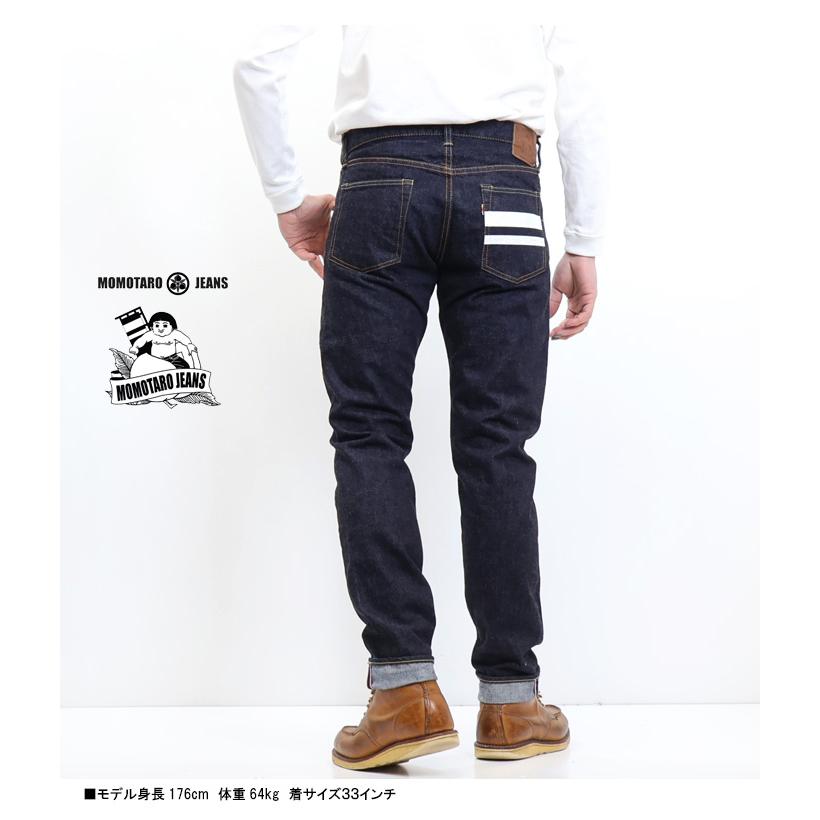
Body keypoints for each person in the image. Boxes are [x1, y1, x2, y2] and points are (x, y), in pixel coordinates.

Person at [233, 24, 606, 769]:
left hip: (378, 188)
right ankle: (513, 703)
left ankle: (403, 693)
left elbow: (256, 60)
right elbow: (582, 94)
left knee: (368, 432)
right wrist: (584, 239)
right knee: (497, 443)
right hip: (506, 184)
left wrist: (285, 196)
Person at [129, 312, 198, 369]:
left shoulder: (174, 333)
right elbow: (142, 340)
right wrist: (135, 347)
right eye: (157, 325)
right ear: (152, 327)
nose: (161, 329)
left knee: (184, 367)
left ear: (172, 326)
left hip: (173, 358)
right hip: (156, 360)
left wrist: (189, 345)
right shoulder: (151, 334)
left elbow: (184, 339)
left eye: (165, 325)